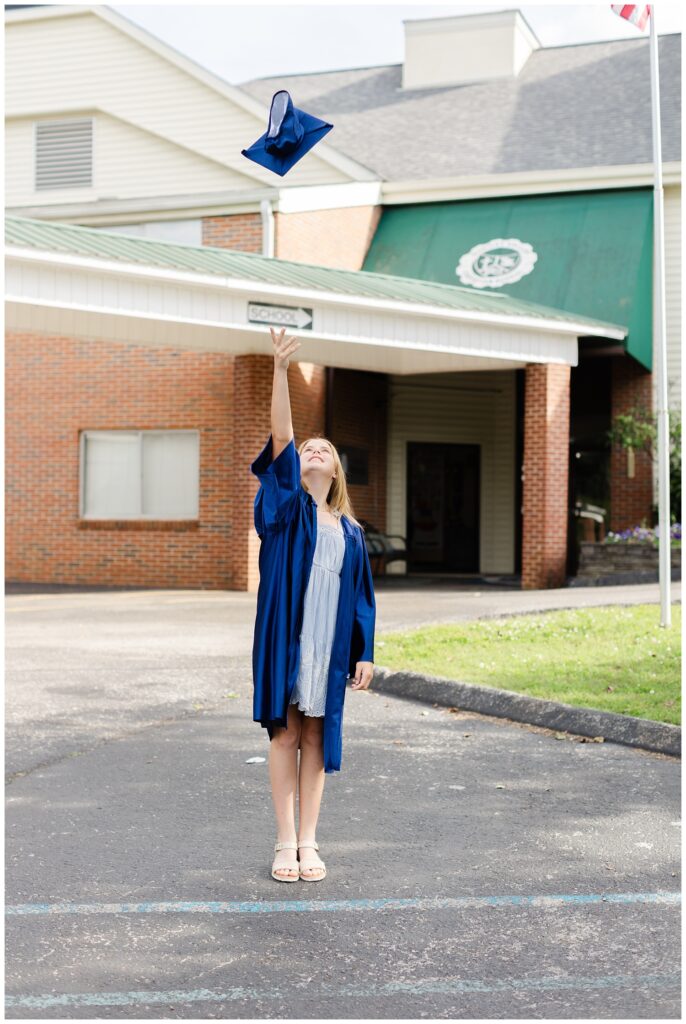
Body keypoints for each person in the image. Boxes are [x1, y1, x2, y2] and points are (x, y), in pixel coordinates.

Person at [250, 327, 376, 883]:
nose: (314, 451)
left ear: (336, 469)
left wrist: (364, 650)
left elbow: (362, 600)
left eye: (323, 450)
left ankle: (309, 842)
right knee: (286, 732)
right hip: (288, 637)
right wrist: (280, 371)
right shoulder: (285, 511)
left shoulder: (349, 530)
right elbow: (281, 435)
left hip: (328, 645)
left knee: (318, 736)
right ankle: (283, 841)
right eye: (307, 450)